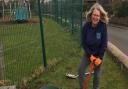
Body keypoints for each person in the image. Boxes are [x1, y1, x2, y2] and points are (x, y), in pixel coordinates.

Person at [78, 3, 109, 89]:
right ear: (91, 15)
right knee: (81, 70)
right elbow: (83, 42)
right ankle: (83, 87)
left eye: (98, 15)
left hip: (99, 54)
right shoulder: (86, 26)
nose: (95, 17)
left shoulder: (103, 27)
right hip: (88, 53)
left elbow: (104, 44)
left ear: (100, 16)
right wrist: (90, 55)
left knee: (97, 76)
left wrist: (99, 57)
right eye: (94, 15)